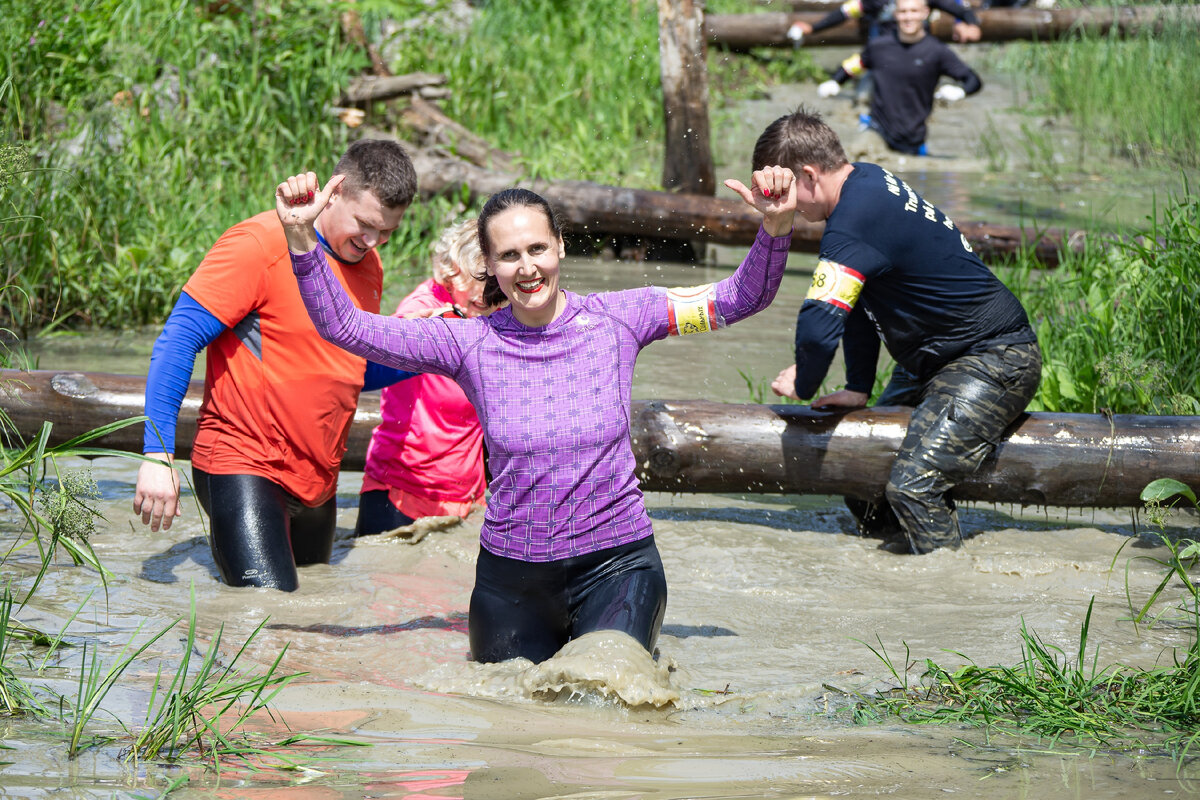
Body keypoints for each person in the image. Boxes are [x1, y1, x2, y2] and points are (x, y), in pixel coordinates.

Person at [274, 166, 798, 663]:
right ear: (489, 263)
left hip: (618, 564)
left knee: (608, 700)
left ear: (560, 247)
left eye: (537, 248)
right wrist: (302, 238)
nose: (526, 268)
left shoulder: (622, 318)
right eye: (509, 255)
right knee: (507, 722)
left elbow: (739, 298)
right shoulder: (466, 342)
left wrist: (774, 226)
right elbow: (345, 327)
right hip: (512, 580)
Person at [133, 139, 418, 591]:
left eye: (386, 232)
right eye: (365, 225)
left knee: (314, 616)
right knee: (268, 615)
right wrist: (157, 453)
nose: (372, 241)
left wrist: (438, 352)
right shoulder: (258, 244)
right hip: (242, 463)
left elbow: (348, 370)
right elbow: (177, 340)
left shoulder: (370, 265)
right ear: (335, 191)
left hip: (316, 480)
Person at [759, 108, 1041, 555]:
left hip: (993, 357)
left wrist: (805, 380)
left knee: (913, 487)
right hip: (937, 360)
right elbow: (856, 303)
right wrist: (857, 387)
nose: (787, 205)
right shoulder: (866, 183)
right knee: (862, 476)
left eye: (786, 189)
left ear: (809, 175)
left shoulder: (854, 219)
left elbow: (818, 324)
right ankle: (891, 570)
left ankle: (944, 596)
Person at [355, 219, 495, 537]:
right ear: (452, 268)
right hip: (400, 492)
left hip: (468, 499)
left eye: (496, 281)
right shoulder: (422, 311)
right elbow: (367, 359)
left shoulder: (488, 314)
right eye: (481, 278)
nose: (489, 293)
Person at [816, 0, 982, 156]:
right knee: (863, 148)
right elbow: (855, 64)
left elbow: (973, 80)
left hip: (914, 137)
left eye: (913, 11)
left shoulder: (937, 52)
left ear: (925, 13)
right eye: (903, 12)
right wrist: (835, 81)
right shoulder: (878, 46)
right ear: (895, 14)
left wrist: (960, 91)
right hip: (877, 132)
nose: (908, 17)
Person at [788, 0, 980, 44]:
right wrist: (813, 28)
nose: (907, 16)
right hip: (882, 47)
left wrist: (972, 26)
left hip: (918, 47)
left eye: (913, 11)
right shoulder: (873, 0)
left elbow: (961, 10)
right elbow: (844, 13)